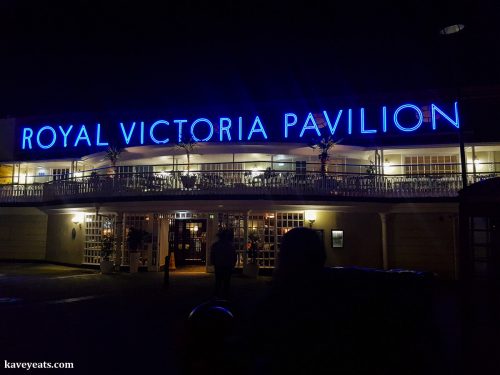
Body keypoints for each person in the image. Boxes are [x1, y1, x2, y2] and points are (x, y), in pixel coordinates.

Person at [211, 228, 237, 299]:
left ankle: (217, 295)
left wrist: (213, 262)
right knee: (226, 281)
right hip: (227, 265)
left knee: (218, 281)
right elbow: (234, 256)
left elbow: (212, 255)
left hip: (219, 265)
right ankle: (225, 295)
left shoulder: (215, 245)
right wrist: (233, 264)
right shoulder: (230, 245)